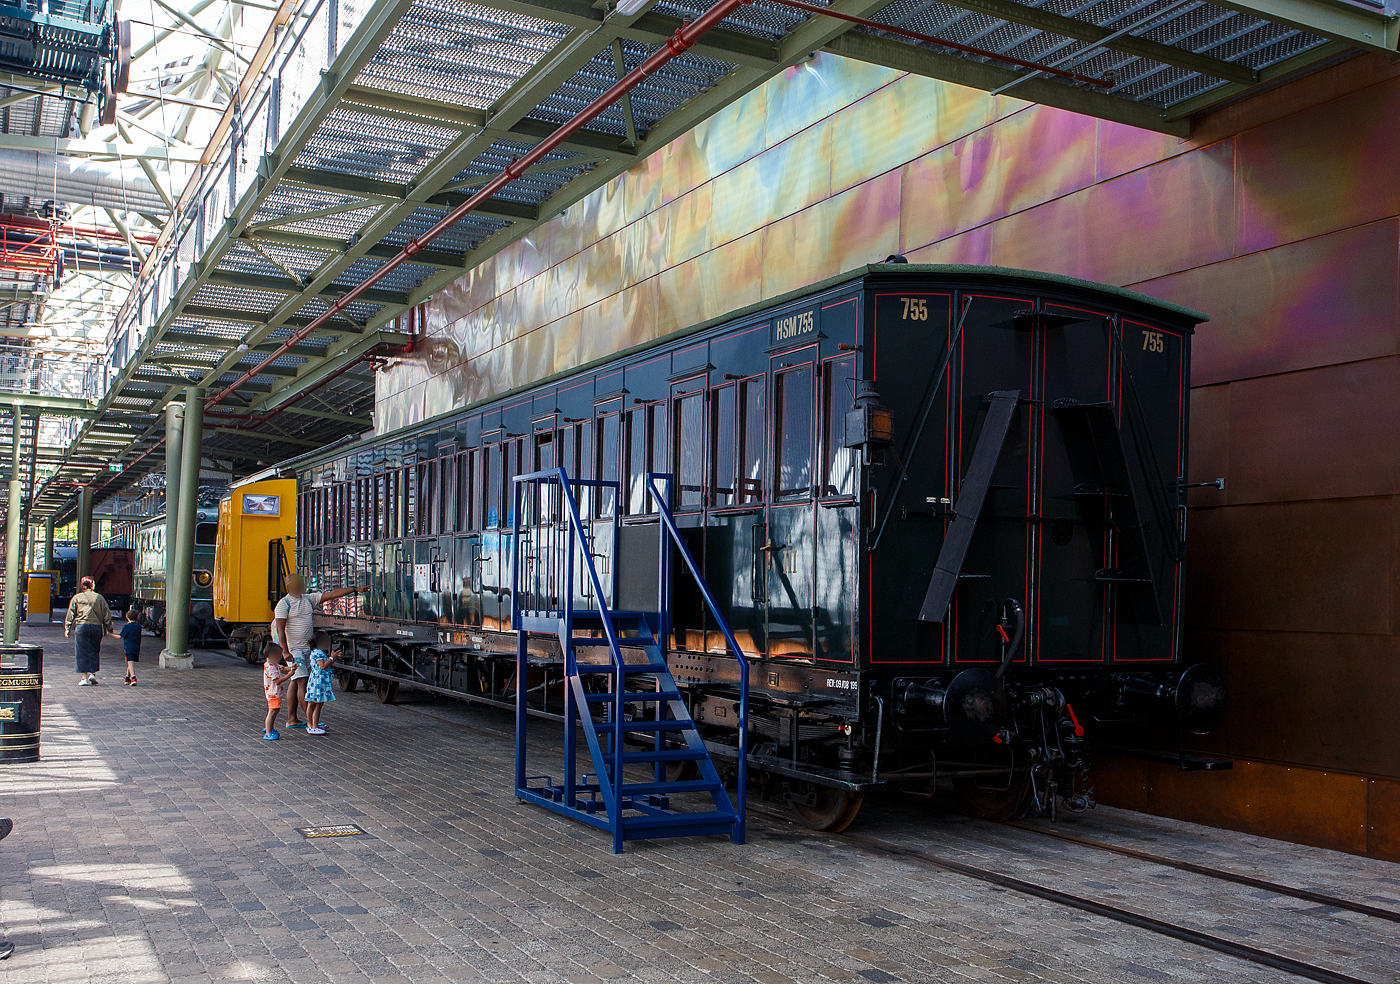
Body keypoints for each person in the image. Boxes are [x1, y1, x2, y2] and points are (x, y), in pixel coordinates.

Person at [272, 576, 364, 728]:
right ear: (289, 586)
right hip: (294, 650)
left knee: (295, 681)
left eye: (302, 584)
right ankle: (311, 721)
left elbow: (332, 594)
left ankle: (292, 719)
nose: (301, 587)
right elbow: (280, 630)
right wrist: (285, 651)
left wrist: (354, 589)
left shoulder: (309, 599)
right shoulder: (284, 604)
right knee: (303, 681)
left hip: (307, 649)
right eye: (297, 585)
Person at [64, 576, 113, 686]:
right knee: (94, 650)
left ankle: (83, 678)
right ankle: (92, 674)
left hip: (82, 627)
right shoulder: (99, 597)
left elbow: (71, 613)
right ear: (91, 585)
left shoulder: (77, 597)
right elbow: (107, 614)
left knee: (82, 652)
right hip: (96, 627)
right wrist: (109, 628)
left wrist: (67, 627)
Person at [304, 630, 337, 735]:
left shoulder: (315, 652)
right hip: (319, 682)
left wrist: (332, 658)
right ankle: (314, 726)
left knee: (311, 703)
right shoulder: (318, 653)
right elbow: (323, 666)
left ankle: (310, 724)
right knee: (318, 704)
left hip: (314, 680)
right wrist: (332, 658)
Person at [262, 643, 295, 740]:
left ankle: (269, 727)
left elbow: (283, 668)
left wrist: (292, 668)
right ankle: (268, 731)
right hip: (273, 693)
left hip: (275, 693)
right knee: (272, 712)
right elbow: (277, 680)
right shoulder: (270, 667)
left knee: (275, 710)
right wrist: (289, 675)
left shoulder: (273, 664)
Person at [119, 608, 143, 686]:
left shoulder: (126, 627)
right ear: (137, 617)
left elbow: (120, 636)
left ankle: (133, 677)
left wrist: (110, 634)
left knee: (130, 662)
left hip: (128, 647)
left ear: (127, 617)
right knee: (130, 662)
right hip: (136, 646)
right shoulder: (139, 627)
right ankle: (127, 677)